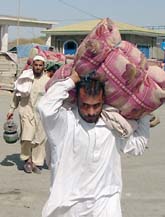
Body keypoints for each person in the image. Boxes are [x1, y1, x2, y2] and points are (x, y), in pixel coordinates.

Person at [37, 68, 150, 217]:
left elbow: (137, 146)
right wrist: (72, 80)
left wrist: (144, 114)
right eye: (85, 105)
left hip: (106, 204)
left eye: (96, 105)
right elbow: (45, 107)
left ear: (103, 101)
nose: (91, 112)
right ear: (77, 100)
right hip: (68, 208)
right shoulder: (64, 124)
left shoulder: (112, 126)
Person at [7, 55, 50, 174]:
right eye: (36, 65)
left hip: (41, 114)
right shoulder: (25, 78)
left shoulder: (47, 81)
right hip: (26, 111)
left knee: (39, 139)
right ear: (32, 66)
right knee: (27, 137)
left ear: (43, 67)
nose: (38, 67)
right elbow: (17, 95)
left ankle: (35, 163)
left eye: (40, 65)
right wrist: (11, 110)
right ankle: (27, 159)